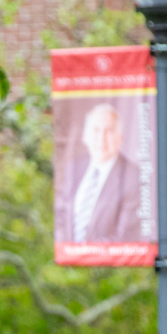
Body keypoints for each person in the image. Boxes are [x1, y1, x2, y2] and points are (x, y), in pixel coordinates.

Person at [60, 103, 145, 243]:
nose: (101, 138)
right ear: (85, 136)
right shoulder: (73, 169)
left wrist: (84, 253)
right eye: (96, 130)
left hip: (107, 262)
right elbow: (61, 219)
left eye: (109, 131)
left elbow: (127, 237)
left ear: (120, 137)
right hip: (67, 260)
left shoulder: (134, 177)